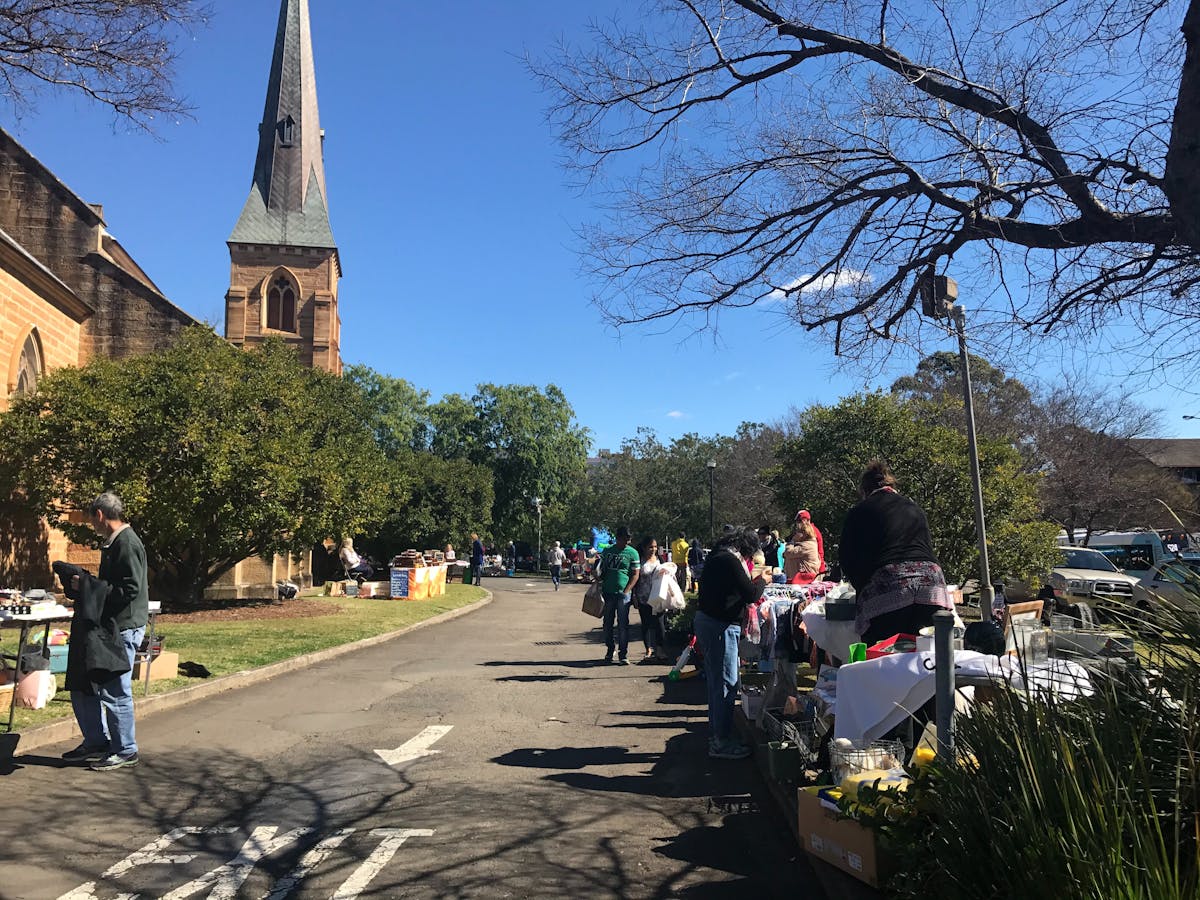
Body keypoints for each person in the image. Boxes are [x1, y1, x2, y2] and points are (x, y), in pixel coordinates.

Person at [60, 492, 149, 771]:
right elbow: (116, 585)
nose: (92, 524)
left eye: (91, 519)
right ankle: (96, 741)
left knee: (114, 689)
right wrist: (87, 583)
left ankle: (125, 749)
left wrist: (90, 587)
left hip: (122, 627)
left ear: (99, 515)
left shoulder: (126, 543)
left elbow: (130, 590)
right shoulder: (114, 543)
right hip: (107, 625)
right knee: (86, 686)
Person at [839, 460, 952, 645]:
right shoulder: (914, 508)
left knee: (884, 654)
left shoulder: (860, 511)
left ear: (865, 491)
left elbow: (848, 558)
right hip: (931, 584)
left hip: (890, 582)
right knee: (927, 653)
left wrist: (863, 586)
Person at [694, 528, 768, 760]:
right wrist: (763, 580)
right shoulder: (729, 561)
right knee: (727, 684)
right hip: (720, 626)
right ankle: (721, 742)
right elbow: (750, 594)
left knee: (717, 684)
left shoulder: (719, 556)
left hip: (710, 622)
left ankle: (718, 735)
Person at [599, 526, 641, 664]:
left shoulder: (632, 553)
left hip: (623, 593)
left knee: (623, 624)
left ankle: (623, 654)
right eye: (624, 539)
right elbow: (600, 569)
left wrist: (627, 590)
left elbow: (635, 574)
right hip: (608, 592)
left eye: (628, 539)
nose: (627, 542)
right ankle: (610, 650)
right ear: (618, 538)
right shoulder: (608, 551)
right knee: (607, 624)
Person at [633, 536, 668, 662]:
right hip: (644, 597)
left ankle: (660, 649)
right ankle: (648, 649)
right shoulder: (639, 560)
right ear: (644, 548)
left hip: (658, 597)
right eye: (650, 547)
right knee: (646, 624)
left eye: (655, 547)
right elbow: (635, 579)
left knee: (660, 624)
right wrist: (634, 596)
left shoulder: (660, 559)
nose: (653, 549)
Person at [783, 519, 821, 584]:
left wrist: (792, 541)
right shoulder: (804, 544)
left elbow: (788, 553)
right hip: (799, 580)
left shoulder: (807, 546)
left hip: (805, 580)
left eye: (797, 532)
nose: (795, 534)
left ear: (804, 533)